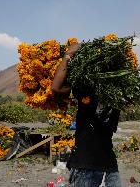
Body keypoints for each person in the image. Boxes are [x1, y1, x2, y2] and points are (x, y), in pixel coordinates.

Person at [52, 43, 122, 187]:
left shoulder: (118, 92)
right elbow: (56, 87)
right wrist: (68, 55)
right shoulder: (85, 86)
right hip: (84, 163)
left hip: (108, 163)